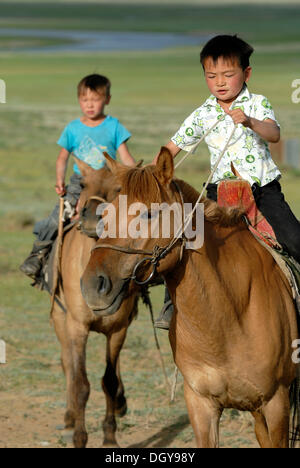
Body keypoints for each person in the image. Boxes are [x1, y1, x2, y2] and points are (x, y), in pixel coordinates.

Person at [154, 34, 300, 329]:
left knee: (296, 241)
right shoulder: (203, 114)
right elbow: (172, 147)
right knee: (186, 244)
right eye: (211, 75)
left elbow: (273, 134)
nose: (220, 82)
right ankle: (173, 308)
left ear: (246, 73)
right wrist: (151, 173)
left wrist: (249, 121)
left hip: (262, 193)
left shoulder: (257, 104)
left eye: (228, 74)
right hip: (218, 194)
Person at [20, 73, 135, 280]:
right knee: (57, 218)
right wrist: (59, 181)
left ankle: (138, 268)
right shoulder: (73, 128)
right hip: (79, 184)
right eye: (84, 100)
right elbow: (62, 159)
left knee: (132, 218)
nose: (89, 105)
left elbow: (125, 156)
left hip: (107, 184)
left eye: (95, 99)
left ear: (107, 100)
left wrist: (137, 176)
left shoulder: (114, 126)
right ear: (79, 100)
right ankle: (37, 255)